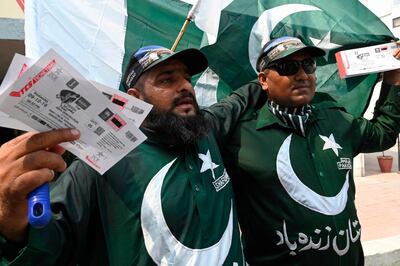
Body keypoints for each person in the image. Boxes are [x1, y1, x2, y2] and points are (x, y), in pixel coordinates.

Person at [0, 45, 264, 265]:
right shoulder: (101, 161)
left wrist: (271, 71)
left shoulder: (206, 130)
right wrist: (10, 221)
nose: (185, 86)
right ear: (135, 98)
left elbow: (239, 100)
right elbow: (48, 248)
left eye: (186, 77)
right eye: (167, 80)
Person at [220, 36, 400, 265]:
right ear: (264, 80)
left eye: (308, 65)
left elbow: (383, 134)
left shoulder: (337, 119)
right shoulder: (241, 137)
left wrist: (393, 79)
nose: (302, 75)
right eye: (288, 67)